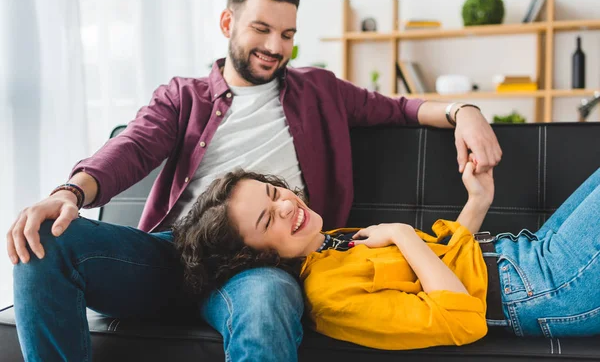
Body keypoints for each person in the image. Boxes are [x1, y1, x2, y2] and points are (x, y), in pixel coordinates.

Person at [7, 0, 501, 362]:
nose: (274, 47)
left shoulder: (319, 90)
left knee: (265, 307)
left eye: (286, 34)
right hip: (176, 255)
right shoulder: (184, 96)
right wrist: (70, 192)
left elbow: (398, 108)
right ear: (229, 24)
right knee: (46, 235)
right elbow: (134, 146)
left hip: (264, 262)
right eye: (261, 29)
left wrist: (465, 111)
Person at [172, 164, 600, 350]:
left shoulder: (330, 242)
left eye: (273, 193)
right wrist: (400, 233)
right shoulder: (330, 296)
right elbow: (462, 318)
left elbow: (446, 264)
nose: (286, 205)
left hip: (529, 254)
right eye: (268, 222)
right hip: (544, 287)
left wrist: (478, 199)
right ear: (257, 259)